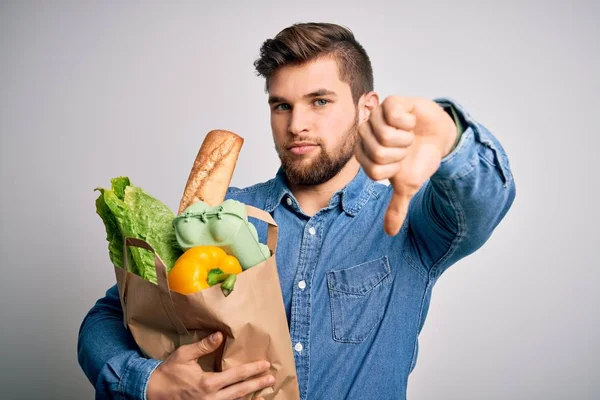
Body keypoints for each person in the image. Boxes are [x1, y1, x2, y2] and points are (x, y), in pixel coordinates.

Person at [78, 22, 516, 400]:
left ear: (366, 108)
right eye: (281, 105)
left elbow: (484, 200)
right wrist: (149, 383)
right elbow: (108, 317)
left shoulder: (409, 223)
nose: (296, 124)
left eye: (319, 101)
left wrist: (449, 135)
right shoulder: (217, 216)